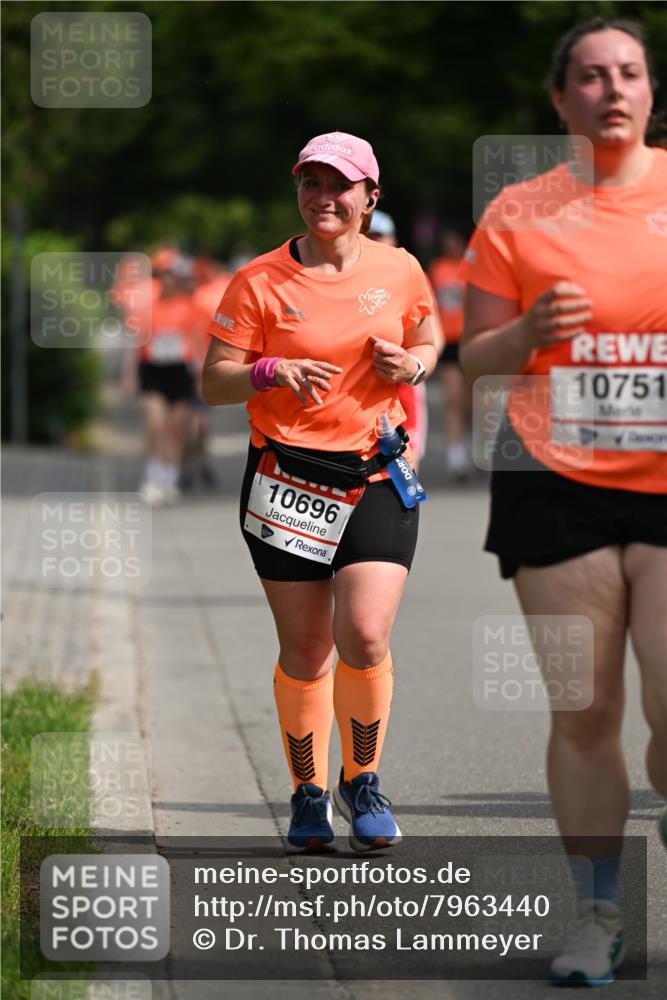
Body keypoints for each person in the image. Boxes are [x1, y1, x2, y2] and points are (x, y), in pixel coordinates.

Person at [460, 18, 667, 986]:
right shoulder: (517, 213)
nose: (611, 90)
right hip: (555, 479)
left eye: (628, 73)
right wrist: (529, 330)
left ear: (650, 91)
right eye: (589, 76)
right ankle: (598, 915)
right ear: (560, 100)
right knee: (583, 707)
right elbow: (472, 358)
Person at [202, 132, 437, 851]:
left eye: (339, 185)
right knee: (306, 650)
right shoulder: (259, 282)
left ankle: (360, 779)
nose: (322, 197)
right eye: (310, 182)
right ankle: (308, 792)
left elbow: (428, 341)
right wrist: (269, 372)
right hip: (285, 480)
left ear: (370, 197)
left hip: (372, 472)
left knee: (364, 634)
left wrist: (414, 365)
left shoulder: (399, 270)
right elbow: (214, 381)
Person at [122, 248, 210, 506]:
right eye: (165, 275)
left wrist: (202, 376)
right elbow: (136, 342)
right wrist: (129, 375)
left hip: (180, 372)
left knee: (175, 430)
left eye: (173, 275)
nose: (169, 280)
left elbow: (196, 344)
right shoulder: (146, 308)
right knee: (155, 427)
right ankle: (152, 478)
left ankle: (169, 478)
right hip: (154, 371)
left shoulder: (190, 307)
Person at [367, 209, 444, 469]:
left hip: (403, 389)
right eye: (368, 235)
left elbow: (435, 339)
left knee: (406, 468)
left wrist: (408, 364)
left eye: (380, 235)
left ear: (392, 239)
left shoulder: (409, 275)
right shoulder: (343, 276)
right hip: (358, 394)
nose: (375, 241)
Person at [429, 229, 472, 478]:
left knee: (471, 403)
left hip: (470, 340)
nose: (451, 244)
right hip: (448, 341)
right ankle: (456, 455)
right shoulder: (437, 268)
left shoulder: (473, 265)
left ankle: (470, 443)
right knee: (454, 399)